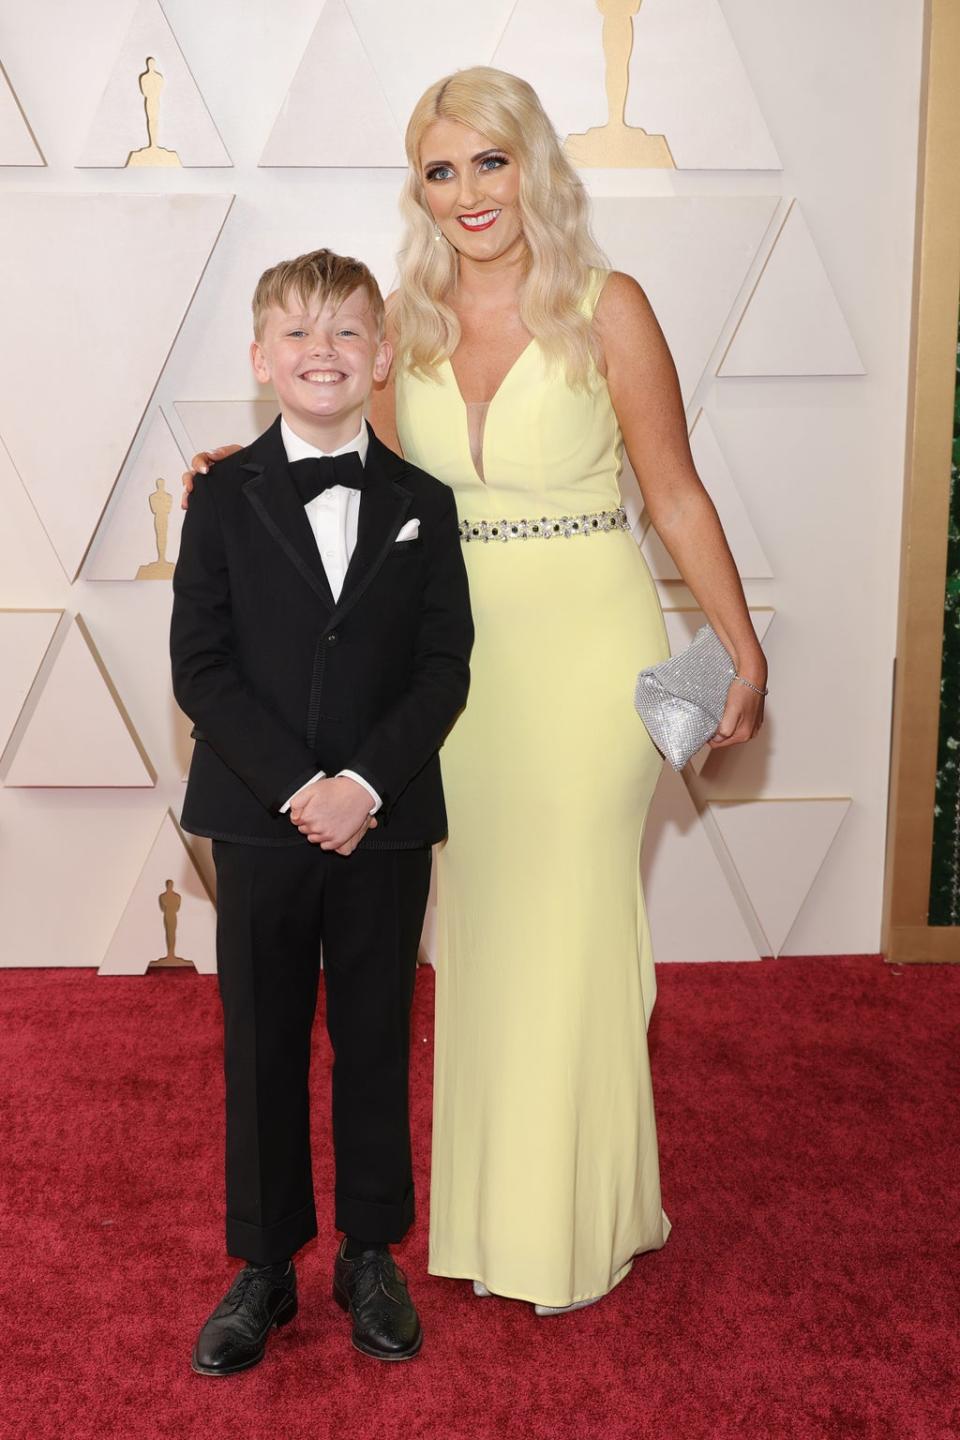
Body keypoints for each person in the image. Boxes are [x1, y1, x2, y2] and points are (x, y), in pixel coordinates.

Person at [183, 67, 766, 1315]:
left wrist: (742, 644)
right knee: (483, 943)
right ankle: (489, 1220)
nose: (467, 193)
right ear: (421, 189)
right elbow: (360, 459)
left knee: (573, 927)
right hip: (444, 680)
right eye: (441, 171)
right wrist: (248, 462)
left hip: (589, 654)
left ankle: (580, 1215)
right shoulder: (408, 320)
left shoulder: (608, 308)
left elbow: (673, 494)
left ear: (531, 166)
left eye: (488, 163)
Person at [170, 247, 473, 1374]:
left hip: (384, 822)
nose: (323, 352)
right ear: (260, 358)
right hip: (260, 818)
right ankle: (264, 1267)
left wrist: (365, 787)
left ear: (382, 354)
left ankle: (368, 1252)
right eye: (296, 334)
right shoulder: (221, 494)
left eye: (347, 331)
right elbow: (201, 667)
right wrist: (302, 790)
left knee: (376, 1036)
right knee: (259, 1039)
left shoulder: (424, 505)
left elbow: (446, 665)